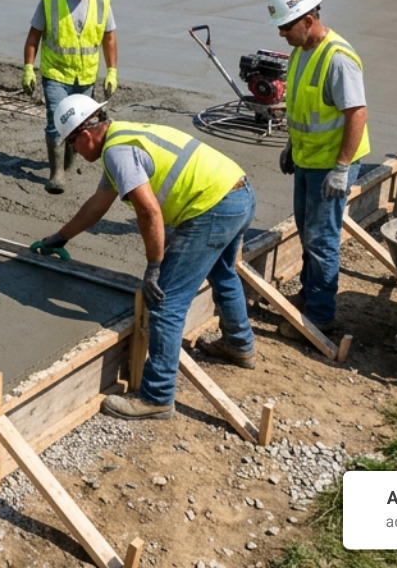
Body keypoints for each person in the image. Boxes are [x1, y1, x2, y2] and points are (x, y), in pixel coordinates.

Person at [30, 95, 256, 420]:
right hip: (238, 193)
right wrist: (60, 237)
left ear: (86, 133)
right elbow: (98, 204)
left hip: (212, 208)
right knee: (222, 272)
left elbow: (148, 211)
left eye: (72, 145)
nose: (74, 153)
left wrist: (154, 266)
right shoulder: (122, 136)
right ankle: (239, 343)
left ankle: (157, 396)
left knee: (164, 300)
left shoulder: (118, 153)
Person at [267, 0, 369, 340]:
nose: (281, 33)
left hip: (331, 164)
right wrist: (291, 147)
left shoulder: (337, 58)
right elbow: (302, 108)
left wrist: (342, 167)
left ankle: (321, 316)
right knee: (306, 229)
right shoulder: (301, 51)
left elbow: (356, 113)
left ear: (308, 19)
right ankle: (312, 296)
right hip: (308, 159)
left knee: (322, 237)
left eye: (286, 26)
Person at [22, 0, 119, 194]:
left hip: (85, 76)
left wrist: (112, 71)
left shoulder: (102, 2)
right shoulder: (50, 1)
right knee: (56, 121)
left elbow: (109, 39)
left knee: (79, 125)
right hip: (55, 74)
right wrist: (28, 68)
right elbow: (34, 37)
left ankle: (67, 165)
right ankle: (56, 174)